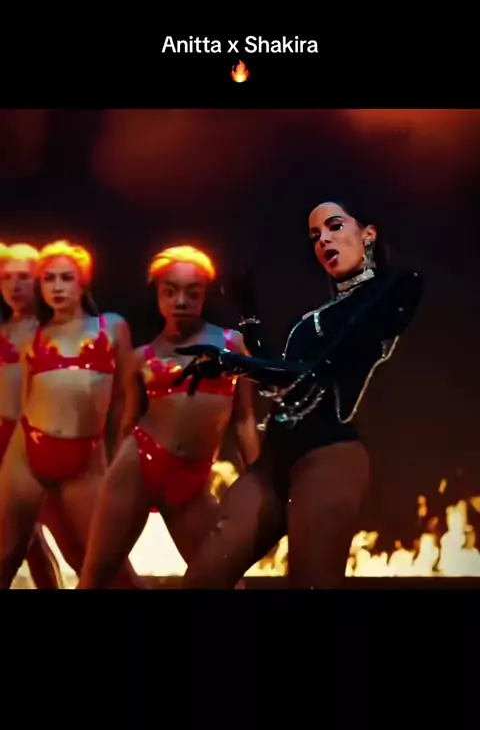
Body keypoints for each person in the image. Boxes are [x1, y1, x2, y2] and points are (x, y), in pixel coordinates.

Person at [173, 202, 423, 589]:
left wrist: (230, 362)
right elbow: (282, 380)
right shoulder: (311, 320)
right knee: (203, 576)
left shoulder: (393, 289)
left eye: (334, 226)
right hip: (274, 463)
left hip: (328, 457)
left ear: (368, 235)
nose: (323, 239)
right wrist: (248, 312)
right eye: (315, 235)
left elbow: (319, 369)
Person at [77, 245, 259, 588]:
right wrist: (111, 477)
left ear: (204, 294)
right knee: (96, 577)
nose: (181, 301)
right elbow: (128, 421)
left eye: (193, 292)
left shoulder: (231, 345)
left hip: (192, 481)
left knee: (225, 579)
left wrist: (259, 479)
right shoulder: (140, 358)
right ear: (158, 294)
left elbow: (244, 420)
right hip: (137, 465)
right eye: (170, 291)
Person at [0, 239, 143, 589]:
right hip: (26, 449)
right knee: (10, 553)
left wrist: (116, 458)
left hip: (82, 454)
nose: (57, 286)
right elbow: (27, 400)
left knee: (98, 561)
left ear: (83, 282)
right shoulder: (32, 337)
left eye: (66, 278)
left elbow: (124, 401)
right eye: (49, 279)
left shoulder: (111, 328)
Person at [0, 241, 64, 588]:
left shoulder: (51, 332)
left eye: (23, 277)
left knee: (31, 533)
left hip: (35, 441)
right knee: (26, 536)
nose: (14, 285)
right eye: (6, 277)